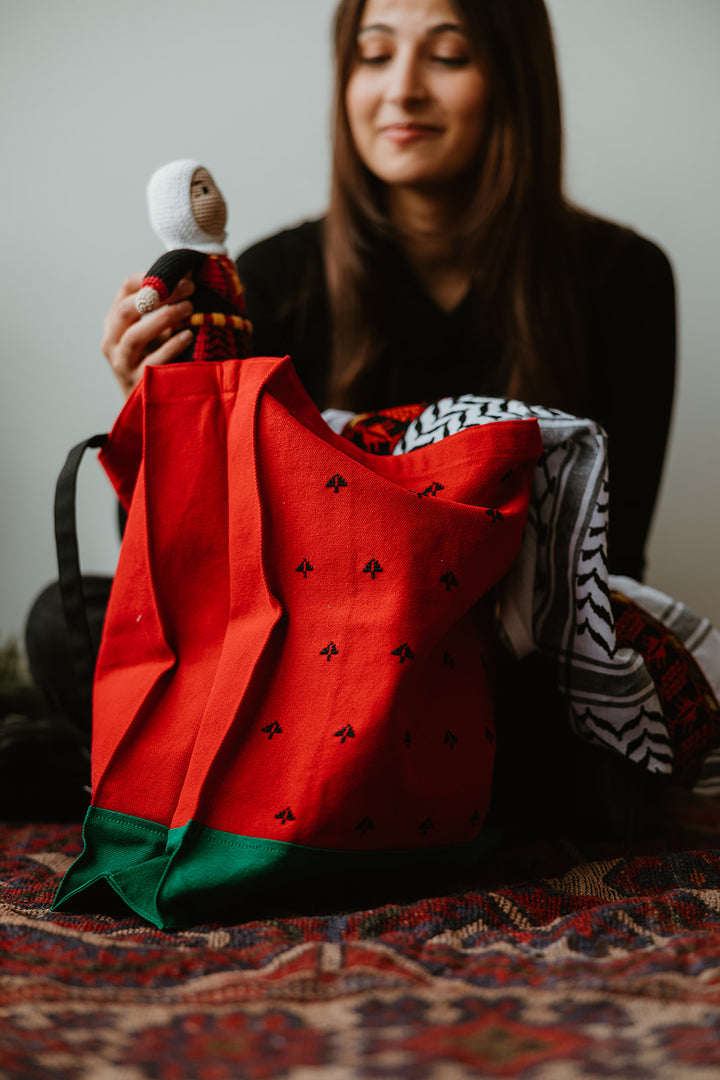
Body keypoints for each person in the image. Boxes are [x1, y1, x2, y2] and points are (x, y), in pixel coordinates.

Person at [25, 0, 676, 832]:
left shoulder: (623, 278)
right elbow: (192, 574)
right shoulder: (276, 276)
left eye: (447, 55)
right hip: (310, 664)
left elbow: (618, 568)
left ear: (516, 81)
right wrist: (156, 415)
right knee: (65, 619)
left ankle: (167, 782)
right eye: (373, 56)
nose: (400, 90)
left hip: (503, 672)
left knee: (606, 731)